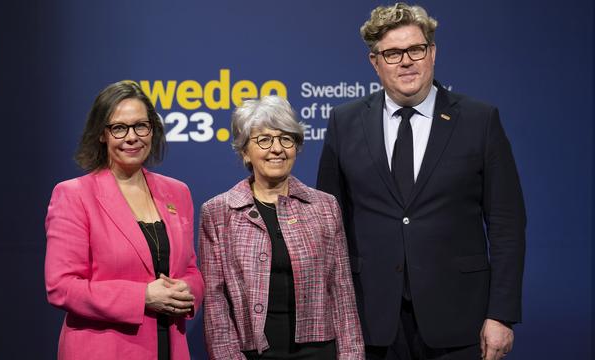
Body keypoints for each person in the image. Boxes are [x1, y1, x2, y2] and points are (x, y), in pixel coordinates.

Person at [317, 3, 526, 360]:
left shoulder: (479, 120)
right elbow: (327, 224)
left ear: (432, 52)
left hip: (461, 322)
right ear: (374, 62)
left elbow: (507, 224)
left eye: (416, 49)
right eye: (393, 53)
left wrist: (501, 314)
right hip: (371, 319)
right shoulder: (344, 122)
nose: (406, 61)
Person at [44, 81, 203, 360]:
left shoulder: (178, 192)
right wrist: (142, 297)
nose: (132, 137)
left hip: (170, 348)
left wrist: (188, 289)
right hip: (104, 351)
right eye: (119, 128)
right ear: (102, 134)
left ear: (152, 129)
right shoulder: (74, 195)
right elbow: (62, 286)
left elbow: (189, 268)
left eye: (141, 125)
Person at [198, 95, 365, 359]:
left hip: (320, 351)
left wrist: (352, 355)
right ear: (244, 150)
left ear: (296, 146)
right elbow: (216, 305)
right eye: (264, 140)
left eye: (286, 138)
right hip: (253, 351)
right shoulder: (219, 212)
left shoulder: (325, 206)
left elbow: (342, 292)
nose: (276, 149)